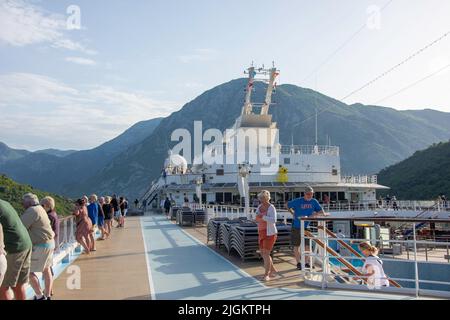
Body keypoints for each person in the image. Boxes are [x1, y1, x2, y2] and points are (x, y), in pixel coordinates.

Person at [20, 193, 55, 300]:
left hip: (41, 246)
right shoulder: (40, 208)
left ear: (30, 202)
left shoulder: (32, 211)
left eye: (23, 202)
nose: (22, 204)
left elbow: (20, 226)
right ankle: (48, 295)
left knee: (27, 271)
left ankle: (40, 296)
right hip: (50, 243)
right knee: (46, 269)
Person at [287, 186, 329, 270]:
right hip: (296, 226)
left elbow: (320, 211)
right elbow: (287, 205)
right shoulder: (298, 201)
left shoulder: (314, 201)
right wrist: (292, 213)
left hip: (307, 226)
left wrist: (315, 215)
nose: (310, 195)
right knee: (296, 246)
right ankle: (299, 263)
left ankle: (306, 262)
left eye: (311, 194)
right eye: (308, 194)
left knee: (308, 246)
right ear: (304, 194)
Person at [0, 199, 32, 300]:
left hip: (14, 249)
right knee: (18, 285)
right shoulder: (4, 202)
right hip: (25, 244)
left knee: (3, 287)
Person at [255, 190, 278, 281]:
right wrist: (260, 218)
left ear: (267, 198)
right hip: (261, 232)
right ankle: (272, 270)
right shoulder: (259, 206)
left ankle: (266, 274)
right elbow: (256, 218)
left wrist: (263, 217)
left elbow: (273, 220)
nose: (261, 199)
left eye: (263, 198)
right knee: (263, 253)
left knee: (266, 253)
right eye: (260, 198)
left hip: (270, 233)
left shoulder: (271, 207)